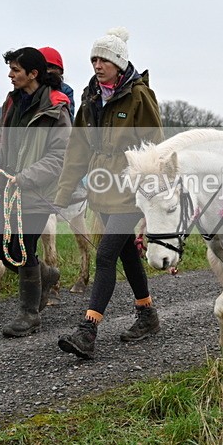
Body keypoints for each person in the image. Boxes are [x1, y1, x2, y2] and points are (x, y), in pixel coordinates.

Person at [54, 27, 164, 359]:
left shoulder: (139, 96)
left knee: (105, 255)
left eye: (104, 60)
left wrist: (153, 194)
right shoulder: (90, 97)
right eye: (94, 60)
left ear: (119, 63)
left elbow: (155, 146)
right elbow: (77, 149)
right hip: (101, 188)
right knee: (127, 252)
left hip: (131, 188)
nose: (97, 65)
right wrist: (63, 194)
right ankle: (147, 314)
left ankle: (88, 330)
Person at [0, 47, 71, 337]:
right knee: (0, 248)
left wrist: (26, 177)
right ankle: (45, 274)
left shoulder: (57, 108)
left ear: (33, 74)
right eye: (10, 69)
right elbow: (1, 138)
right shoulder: (12, 102)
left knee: (22, 249)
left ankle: (29, 314)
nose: (10, 75)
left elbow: (59, 156)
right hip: (10, 188)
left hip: (37, 192)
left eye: (15, 70)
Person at [38, 46, 76, 121]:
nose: (47, 71)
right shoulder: (26, 89)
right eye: (43, 67)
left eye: (51, 67)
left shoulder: (66, 91)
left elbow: (68, 119)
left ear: (60, 71)